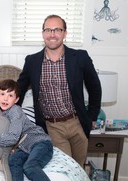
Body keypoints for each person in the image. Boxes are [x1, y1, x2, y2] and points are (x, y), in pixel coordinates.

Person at [17, 14, 102, 167]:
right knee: (66, 168)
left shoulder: (80, 57)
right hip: (52, 126)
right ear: (43, 33)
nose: (52, 34)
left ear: (65, 33)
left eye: (57, 30)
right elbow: (19, 91)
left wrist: (92, 116)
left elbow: (94, 87)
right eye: (48, 30)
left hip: (78, 123)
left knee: (79, 168)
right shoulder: (32, 61)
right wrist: (13, 117)